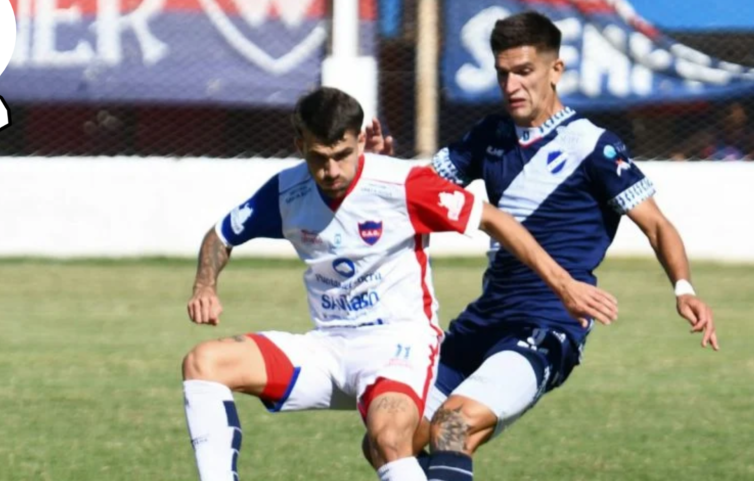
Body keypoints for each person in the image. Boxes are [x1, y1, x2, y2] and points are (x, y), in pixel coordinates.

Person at [179, 87, 618, 481]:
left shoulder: (402, 185)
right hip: (328, 347)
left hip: (397, 345)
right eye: (318, 158)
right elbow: (221, 234)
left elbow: (493, 219)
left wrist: (563, 285)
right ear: (300, 146)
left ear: (359, 141)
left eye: (342, 155)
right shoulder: (286, 193)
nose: (331, 170)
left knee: (388, 439)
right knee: (205, 362)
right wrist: (205, 286)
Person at [364, 11, 719, 480]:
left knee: (453, 425)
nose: (511, 85)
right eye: (503, 73)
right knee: (387, 438)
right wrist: (382, 167)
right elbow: (424, 187)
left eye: (524, 71)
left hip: (547, 326)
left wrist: (683, 288)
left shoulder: (592, 146)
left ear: (556, 70)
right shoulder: (489, 135)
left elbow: (656, 225)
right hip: (484, 320)